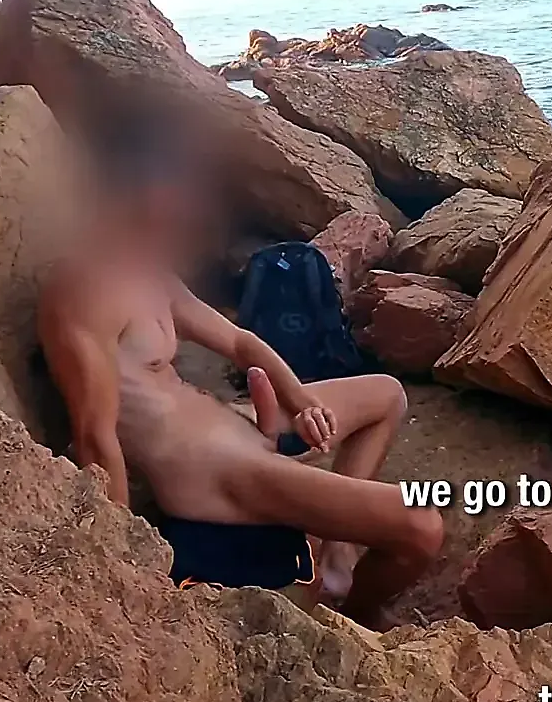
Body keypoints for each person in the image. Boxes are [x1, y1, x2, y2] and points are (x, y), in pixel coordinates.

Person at [37, 113, 442, 627]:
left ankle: (336, 559)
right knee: (421, 525)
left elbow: (239, 342)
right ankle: (352, 621)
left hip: (235, 421)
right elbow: (96, 437)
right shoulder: (84, 295)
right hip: (215, 471)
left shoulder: (146, 272)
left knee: (386, 394)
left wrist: (301, 402)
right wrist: (121, 561)